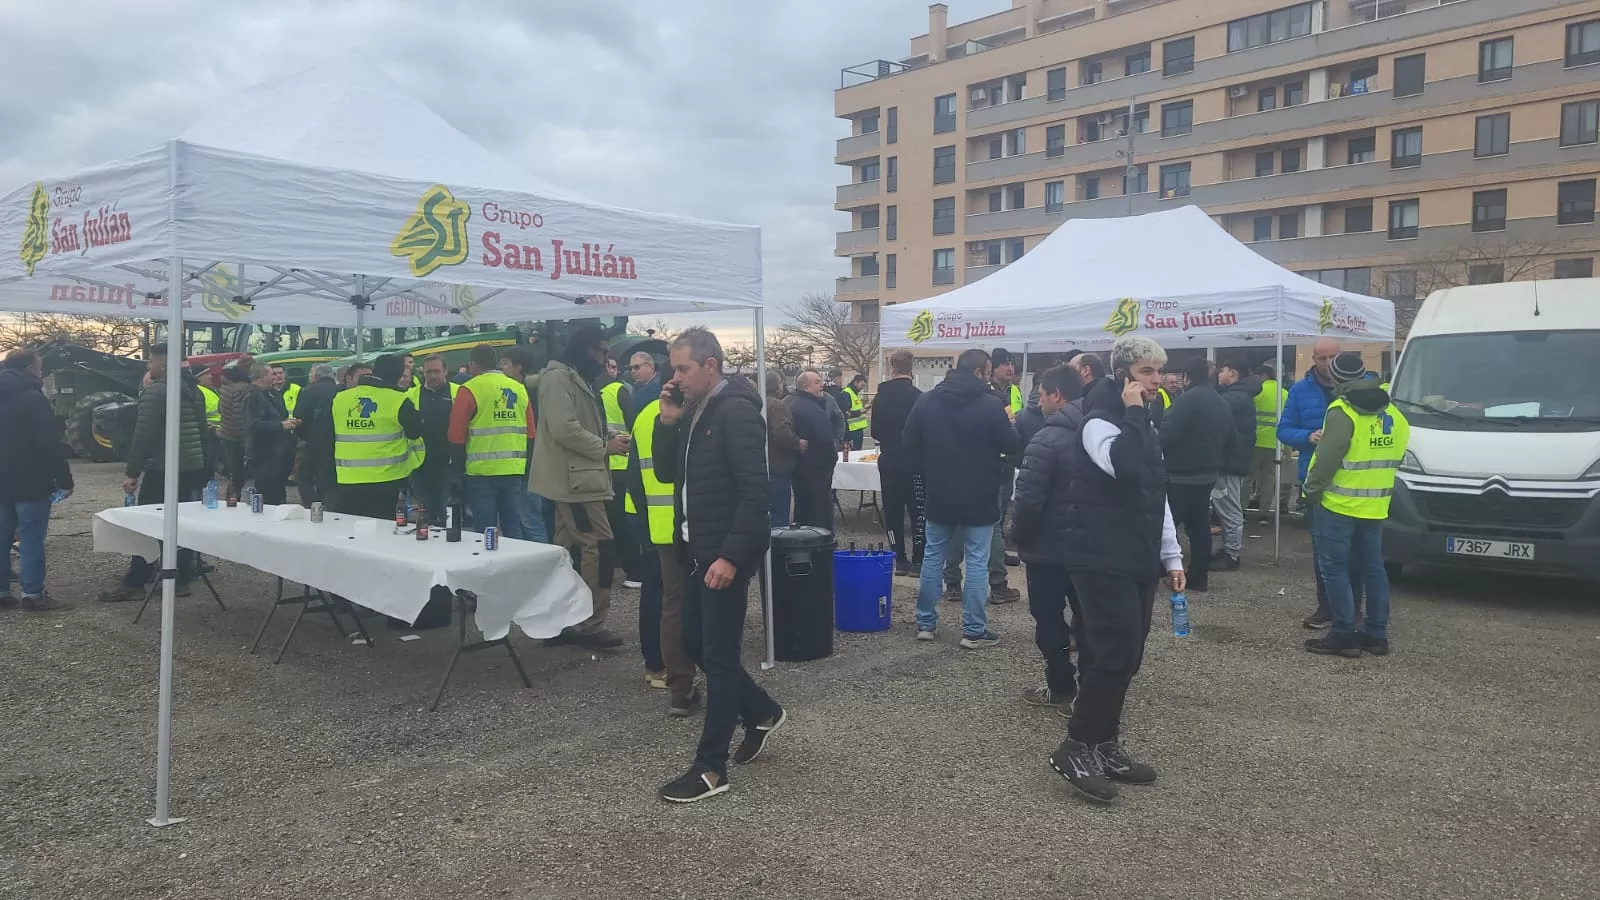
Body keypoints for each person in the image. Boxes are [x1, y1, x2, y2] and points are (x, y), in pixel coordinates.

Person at [1050, 335, 1185, 804]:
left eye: (1159, 371)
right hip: (1099, 555)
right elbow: (1123, 468)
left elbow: (1155, 492)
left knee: (1128, 656)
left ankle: (1104, 743)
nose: (1158, 380)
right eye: (1147, 372)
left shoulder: (1142, 422)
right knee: (1113, 653)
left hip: (1135, 555)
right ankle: (1075, 746)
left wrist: (1171, 556)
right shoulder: (1100, 421)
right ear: (1124, 375)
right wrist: (1133, 413)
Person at [653, 328, 785, 803]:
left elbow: (756, 493)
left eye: (683, 369)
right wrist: (667, 422)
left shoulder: (737, 412)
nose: (676, 378)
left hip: (724, 553)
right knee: (692, 641)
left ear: (711, 366)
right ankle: (762, 710)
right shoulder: (694, 411)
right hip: (696, 548)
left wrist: (730, 556)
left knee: (721, 656)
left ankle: (711, 767)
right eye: (673, 369)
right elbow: (665, 473)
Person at [904, 348, 1021, 649]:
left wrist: (929, 467)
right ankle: (973, 630)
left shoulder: (927, 400)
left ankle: (926, 623)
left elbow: (909, 442)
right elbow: (1012, 444)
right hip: (980, 493)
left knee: (933, 557)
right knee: (977, 561)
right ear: (980, 372)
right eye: (989, 371)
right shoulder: (991, 404)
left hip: (939, 492)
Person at [1302, 353, 1407, 658]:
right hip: (1375, 504)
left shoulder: (1342, 410)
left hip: (1338, 504)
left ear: (1335, 378)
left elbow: (1326, 459)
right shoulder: (1392, 410)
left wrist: (1311, 492)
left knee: (1335, 569)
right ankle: (1376, 634)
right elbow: (1400, 450)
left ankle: (1344, 633)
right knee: (1373, 568)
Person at [530, 327, 629, 650]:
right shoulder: (560, 379)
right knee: (598, 548)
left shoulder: (574, 378)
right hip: (575, 482)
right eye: (601, 351)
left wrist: (609, 439)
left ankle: (558, 622)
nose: (605, 358)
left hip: (576, 478)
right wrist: (604, 446)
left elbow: (575, 425)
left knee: (564, 552)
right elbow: (565, 429)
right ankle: (590, 624)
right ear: (584, 350)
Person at [107, 344, 211, 601]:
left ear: (163, 365)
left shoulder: (156, 392)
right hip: (192, 466)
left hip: (163, 468)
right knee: (182, 523)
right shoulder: (194, 391)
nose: (148, 366)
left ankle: (136, 581)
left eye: (151, 362)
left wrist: (132, 472)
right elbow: (203, 431)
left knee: (148, 523)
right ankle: (180, 580)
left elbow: (144, 435)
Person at [1011, 364, 1085, 713]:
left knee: (1049, 618)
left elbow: (1028, 501)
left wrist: (1019, 537)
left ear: (1057, 395)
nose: (1038, 402)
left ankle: (1060, 685)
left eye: (1041, 395)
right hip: (1090, 545)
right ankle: (1091, 688)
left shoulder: (1045, 439)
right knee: (1090, 618)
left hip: (1048, 548)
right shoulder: (1101, 432)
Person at [628, 373, 701, 716]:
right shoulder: (698, 412)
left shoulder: (647, 415)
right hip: (690, 524)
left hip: (658, 524)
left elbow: (634, 475)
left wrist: (643, 523)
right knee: (696, 604)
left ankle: (668, 675)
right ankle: (687, 679)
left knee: (666, 603)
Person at [1279, 337, 1346, 629]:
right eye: (1322, 358)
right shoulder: (1300, 390)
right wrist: (1307, 436)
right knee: (1322, 551)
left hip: (1354, 480)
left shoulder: (1360, 387)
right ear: (1313, 359)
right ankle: (1326, 607)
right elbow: (1283, 429)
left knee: (1355, 553)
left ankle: (1352, 610)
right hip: (1315, 479)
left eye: (1333, 357)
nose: (1328, 364)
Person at [0, 349, 73, 611]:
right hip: (31, 481)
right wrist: (64, 479)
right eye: (40, 368)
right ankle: (33, 594)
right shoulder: (33, 398)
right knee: (31, 538)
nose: (41, 373)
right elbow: (48, 444)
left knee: (2, 536)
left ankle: (2, 592)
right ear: (30, 369)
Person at [1157, 357, 1235, 593]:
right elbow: (1231, 438)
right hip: (1208, 473)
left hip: (1180, 474)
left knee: (1167, 524)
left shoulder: (1185, 401)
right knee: (1199, 526)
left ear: (1187, 377)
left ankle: (1160, 570)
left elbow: (1167, 435)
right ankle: (1199, 576)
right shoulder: (1221, 401)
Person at [448, 345, 534, 540]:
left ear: (473, 363)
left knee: (485, 530)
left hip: (481, 472)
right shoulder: (518, 388)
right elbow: (530, 432)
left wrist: (458, 470)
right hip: (513, 469)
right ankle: (515, 558)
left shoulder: (470, 388)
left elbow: (456, 434)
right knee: (513, 527)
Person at [331, 354, 424, 519]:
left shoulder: (340, 399)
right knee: (383, 529)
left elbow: (328, 436)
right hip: (389, 479)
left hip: (347, 478)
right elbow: (415, 432)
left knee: (350, 527)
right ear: (398, 375)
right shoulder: (399, 400)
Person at [871, 349, 924, 576]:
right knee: (918, 511)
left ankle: (898, 558)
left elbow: (874, 431)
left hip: (889, 459)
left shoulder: (880, 396)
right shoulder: (919, 396)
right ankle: (918, 559)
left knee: (892, 510)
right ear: (911, 369)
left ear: (892, 368)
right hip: (914, 461)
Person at [1212, 360, 1261, 572]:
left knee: (1229, 508)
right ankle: (1228, 549)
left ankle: (1231, 554)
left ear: (1232, 373)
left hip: (1230, 461)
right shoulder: (1239, 394)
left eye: (1222, 370)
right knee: (1227, 507)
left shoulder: (1234, 397)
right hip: (1234, 459)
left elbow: (1212, 413)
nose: (1219, 374)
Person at [496, 347, 548, 543]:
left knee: (531, 521)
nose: (501, 367)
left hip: (529, 466)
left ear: (519, 368)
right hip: (517, 466)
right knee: (520, 521)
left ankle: (541, 558)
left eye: (505, 363)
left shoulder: (529, 392)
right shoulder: (512, 389)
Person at [599, 355, 640, 588]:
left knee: (614, 523)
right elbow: (634, 423)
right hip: (622, 464)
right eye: (611, 366)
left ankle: (625, 568)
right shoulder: (619, 391)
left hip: (608, 465)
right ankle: (633, 570)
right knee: (623, 523)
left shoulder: (594, 392)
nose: (614, 370)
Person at [786, 370, 838, 530]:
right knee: (818, 513)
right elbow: (825, 439)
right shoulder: (810, 409)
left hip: (800, 467)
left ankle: (802, 541)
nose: (821, 385)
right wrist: (832, 459)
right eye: (817, 382)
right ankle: (820, 543)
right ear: (805, 387)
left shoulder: (792, 403)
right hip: (815, 468)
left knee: (802, 510)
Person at [410, 355, 458, 526]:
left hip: (449, 462)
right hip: (422, 464)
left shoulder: (459, 392)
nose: (433, 375)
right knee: (425, 513)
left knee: (448, 512)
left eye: (437, 371)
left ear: (445, 371)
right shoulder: (411, 395)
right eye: (428, 372)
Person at [244, 363, 299, 506]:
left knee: (278, 491)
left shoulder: (272, 394)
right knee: (268, 494)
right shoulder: (253, 396)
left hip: (279, 453)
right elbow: (254, 424)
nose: (275, 377)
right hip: (265, 454)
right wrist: (281, 425)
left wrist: (288, 422)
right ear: (261, 377)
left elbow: (279, 415)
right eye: (271, 374)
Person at [293, 363, 340, 508]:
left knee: (304, 475)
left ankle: (312, 505)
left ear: (316, 376)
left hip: (313, 440)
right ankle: (330, 504)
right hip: (337, 440)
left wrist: (303, 436)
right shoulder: (340, 390)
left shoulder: (308, 391)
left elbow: (299, 416)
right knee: (329, 476)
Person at [1249, 359, 1289, 523]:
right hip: (1275, 443)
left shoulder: (1256, 391)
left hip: (1255, 442)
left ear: (1263, 375)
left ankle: (1242, 511)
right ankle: (1264, 513)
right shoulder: (1284, 393)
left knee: (1246, 478)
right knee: (1268, 481)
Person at [763, 370, 801, 527]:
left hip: (763, 465)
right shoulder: (777, 405)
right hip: (778, 466)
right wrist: (798, 443)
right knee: (779, 514)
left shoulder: (757, 403)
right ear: (778, 386)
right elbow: (782, 432)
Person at [216, 355, 255, 500]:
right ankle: (233, 499)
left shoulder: (225, 388)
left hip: (226, 434)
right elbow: (241, 415)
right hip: (239, 437)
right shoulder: (244, 389)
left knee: (235, 473)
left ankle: (232, 498)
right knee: (240, 473)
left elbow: (221, 409)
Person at [841, 373, 869, 450]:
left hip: (857, 428)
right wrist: (860, 412)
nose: (862, 388)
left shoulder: (854, 393)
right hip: (852, 430)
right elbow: (846, 412)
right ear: (855, 383)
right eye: (861, 385)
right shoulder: (847, 393)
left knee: (857, 451)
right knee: (854, 452)